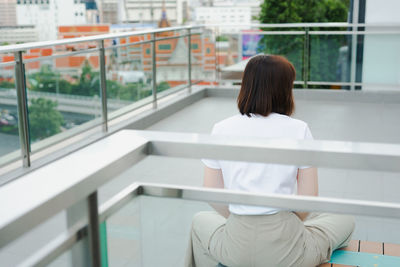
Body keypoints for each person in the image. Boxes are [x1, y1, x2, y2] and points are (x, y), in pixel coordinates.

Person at [184, 55, 355, 267]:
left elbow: (211, 192)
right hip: (288, 253)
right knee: (344, 220)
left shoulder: (221, 128)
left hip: (236, 247)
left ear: (246, 86)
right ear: (285, 90)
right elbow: (308, 198)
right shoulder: (298, 129)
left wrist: (241, 217)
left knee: (200, 219)